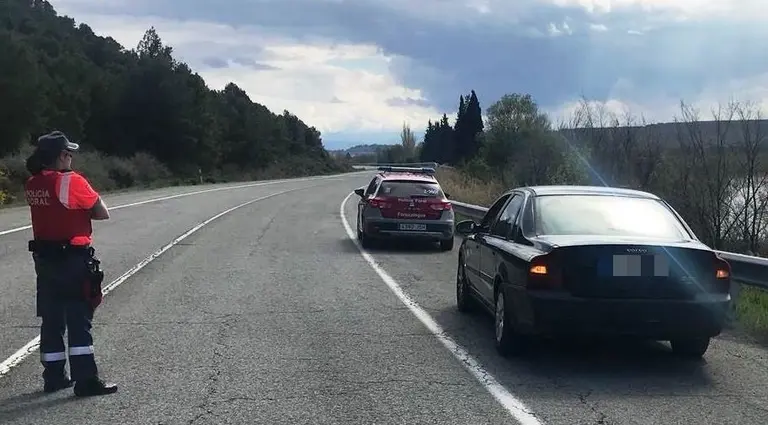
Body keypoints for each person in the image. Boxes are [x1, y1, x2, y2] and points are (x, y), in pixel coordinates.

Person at [24, 130, 118, 397]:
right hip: (72, 259)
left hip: (44, 261)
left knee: (52, 320)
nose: (71, 158)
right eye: (69, 153)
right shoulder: (71, 182)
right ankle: (85, 380)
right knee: (79, 318)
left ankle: (53, 377)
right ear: (62, 156)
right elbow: (102, 213)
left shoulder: (32, 183)